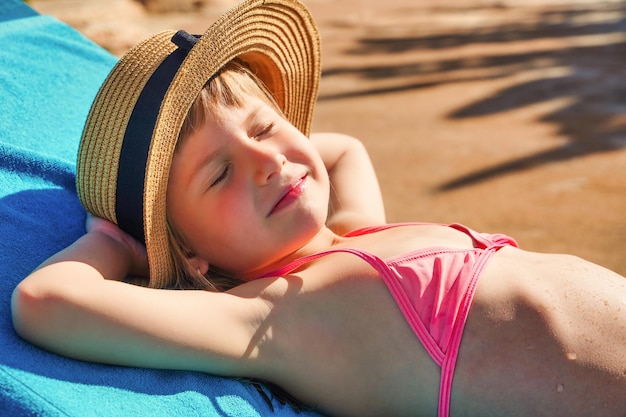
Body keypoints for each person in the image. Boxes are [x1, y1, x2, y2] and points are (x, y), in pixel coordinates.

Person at [11, 0, 626, 416]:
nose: (266, 161)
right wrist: (119, 244)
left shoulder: (359, 233)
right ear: (193, 257)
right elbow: (46, 303)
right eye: (220, 173)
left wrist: (274, 155)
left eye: (266, 126)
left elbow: (342, 151)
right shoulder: (275, 320)